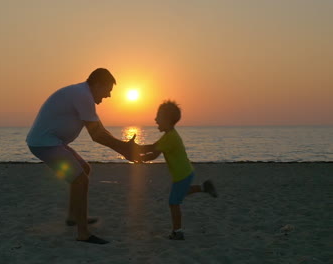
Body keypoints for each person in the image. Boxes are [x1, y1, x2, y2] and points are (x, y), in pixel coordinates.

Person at [26, 68, 140, 244]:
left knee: (84, 170)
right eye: (108, 89)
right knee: (80, 180)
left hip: (51, 141)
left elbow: (100, 130)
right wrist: (125, 150)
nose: (109, 95)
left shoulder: (82, 94)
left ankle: (73, 217)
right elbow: (97, 136)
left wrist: (124, 149)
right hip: (45, 143)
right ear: (97, 84)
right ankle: (83, 233)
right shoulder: (83, 95)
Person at [135, 100, 218, 240]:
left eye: (158, 117)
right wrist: (141, 158)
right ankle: (204, 187)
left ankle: (177, 232)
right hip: (186, 172)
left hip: (182, 176)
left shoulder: (170, 138)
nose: (155, 120)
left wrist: (134, 150)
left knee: (174, 203)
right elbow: (154, 154)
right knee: (183, 192)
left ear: (167, 120)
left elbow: (152, 149)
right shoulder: (169, 136)